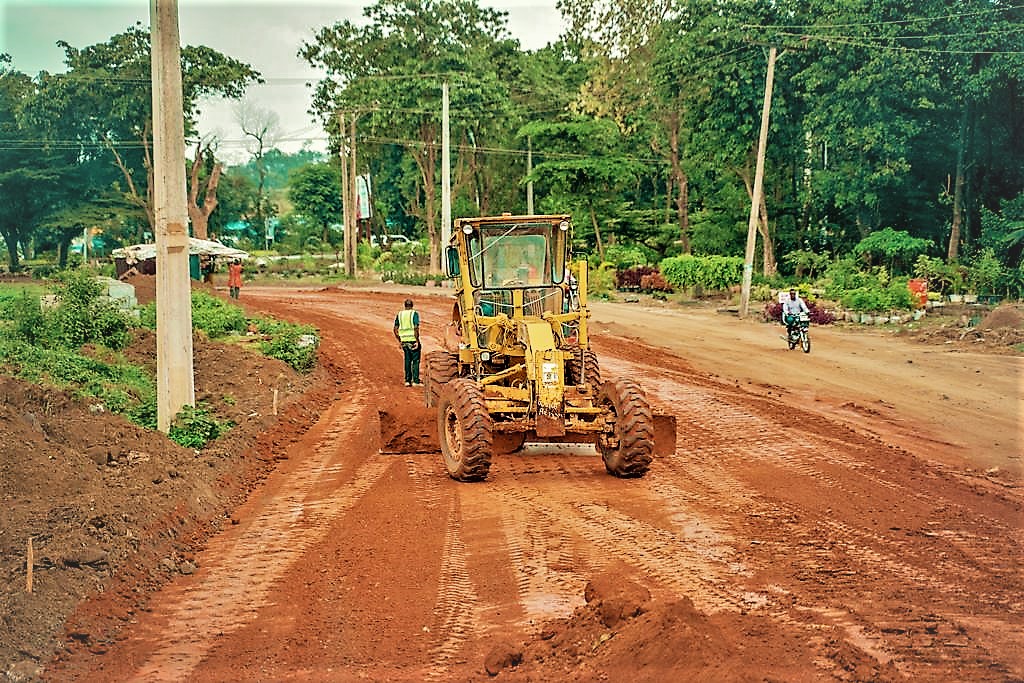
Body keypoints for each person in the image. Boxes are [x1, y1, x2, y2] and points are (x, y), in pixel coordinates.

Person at [393, 298, 422, 386]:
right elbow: (416, 327)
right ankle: (416, 381)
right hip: (413, 341)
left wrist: (400, 340)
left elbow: (395, 329)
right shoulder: (414, 313)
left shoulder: (400, 314)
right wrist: (417, 340)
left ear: (404, 306)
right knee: (415, 361)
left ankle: (407, 381)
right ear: (412, 305)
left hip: (404, 341)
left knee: (407, 361)